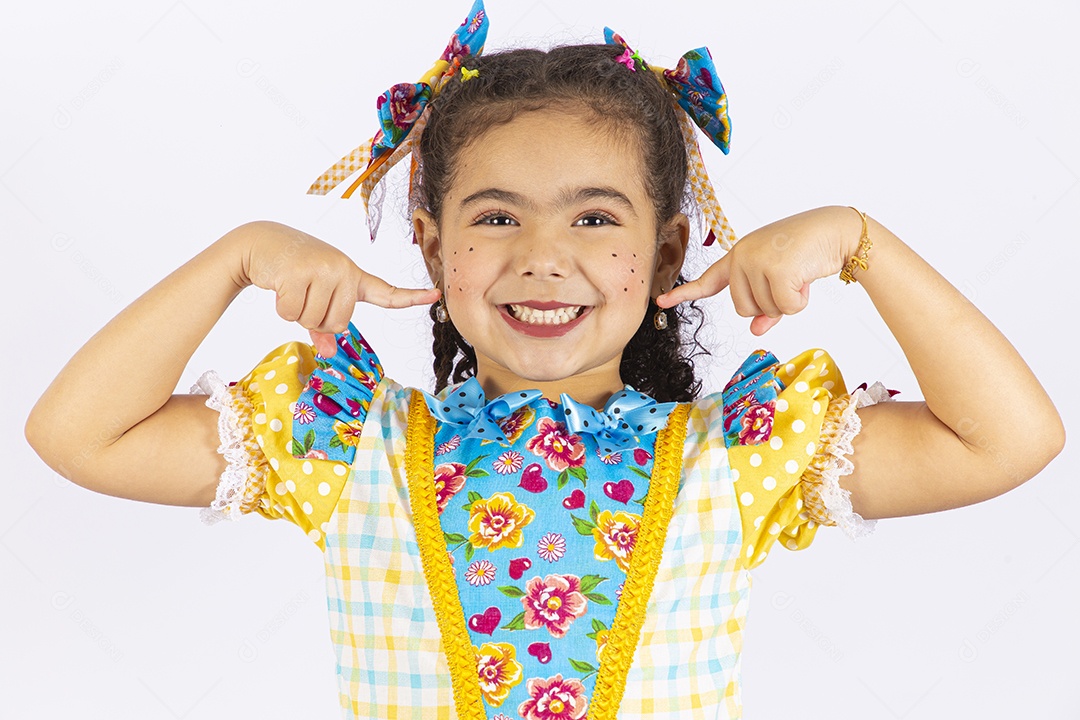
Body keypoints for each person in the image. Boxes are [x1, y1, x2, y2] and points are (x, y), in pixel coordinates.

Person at [23, 1, 1065, 718]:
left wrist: (858, 241)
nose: (543, 260)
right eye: (494, 217)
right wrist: (235, 257)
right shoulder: (349, 445)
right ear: (432, 245)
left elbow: (1009, 441)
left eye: (595, 218)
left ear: (666, 247)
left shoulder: (736, 457)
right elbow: (77, 433)